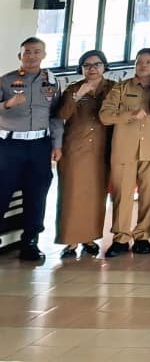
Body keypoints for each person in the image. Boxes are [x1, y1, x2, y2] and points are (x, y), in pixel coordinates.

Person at [0, 38, 64, 263]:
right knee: (2, 191)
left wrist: (57, 144)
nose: (31, 56)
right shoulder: (6, 81)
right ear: (20, 56)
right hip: (9, 146)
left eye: (37, 52)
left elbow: (56, 115)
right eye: (27, 52)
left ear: (43, 55)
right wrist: (7, 104)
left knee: (36, 194)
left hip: (39, 146)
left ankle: (30, 241)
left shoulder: (52, 82)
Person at [100, 47, 150, 257]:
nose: (143, 65)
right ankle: (120, 238)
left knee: (149, 195)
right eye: (139, 62)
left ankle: (143, 237)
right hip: (124, 150)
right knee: (122, 195)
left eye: (149, 62)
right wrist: (129, 115)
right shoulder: (121, 87)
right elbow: (105, 116)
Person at [55, 49, 115, 259]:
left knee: (96, 195)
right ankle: (70, 240)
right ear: (81, 68)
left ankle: (90, 238)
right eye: (87, 65)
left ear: (104, 66)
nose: (92, 69)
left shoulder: (113, 88)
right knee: (71, 194)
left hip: (102, 149)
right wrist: (78, 95)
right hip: (75, 149)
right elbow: (61, 114)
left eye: (97, 64)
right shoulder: (73, 88)